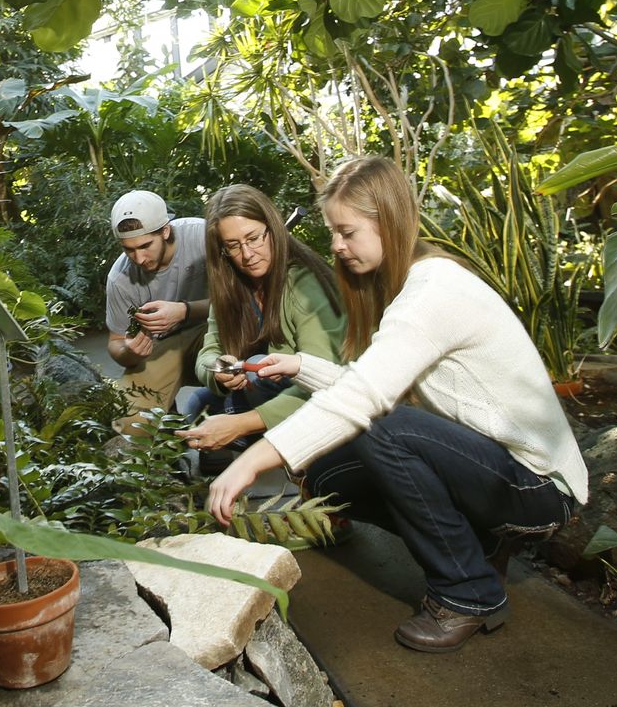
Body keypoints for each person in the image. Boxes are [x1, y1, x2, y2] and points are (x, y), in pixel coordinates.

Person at [206, 155, 588, 654]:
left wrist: (253, 459)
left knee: (383, 429)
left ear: (387, 221)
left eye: (347, 232)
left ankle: (469, 594)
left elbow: (366, 398)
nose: (336, 247)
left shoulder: (434, 290)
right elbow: (369, 381)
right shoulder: (409, 282)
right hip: (491, 466)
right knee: (327, 475)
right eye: (332, 232)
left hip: (539, 485)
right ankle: (479, 542)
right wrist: (300, 366)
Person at [176, 185, 346, 467]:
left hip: (312, 402)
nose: (247, 254)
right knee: (196, 403)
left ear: (273, 228)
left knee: (252, 374)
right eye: (232, 245)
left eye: (253, 238)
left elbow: (324, 382)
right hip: (257, 391)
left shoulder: (304, 287)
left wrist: (243, 423)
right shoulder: (231, 284)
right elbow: (208, 352)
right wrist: (219, 370)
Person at [103, 189, 210, 426]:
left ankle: (217, 414)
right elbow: (116, 342)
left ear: (165, 230)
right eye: (128, 249)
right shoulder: (120, 279)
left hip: (220, 330)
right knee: (128, 420)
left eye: (145, 246)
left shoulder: (203, 236)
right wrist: (129, 352)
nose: (139, 258)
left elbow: (247, 299)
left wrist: (185, 311)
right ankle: (165, 441)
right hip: (164, 347)